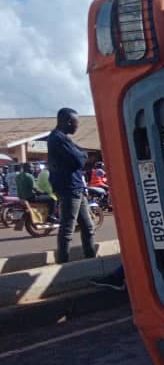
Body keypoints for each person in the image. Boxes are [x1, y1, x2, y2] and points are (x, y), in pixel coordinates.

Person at [47, 108, 96, 264]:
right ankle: (63, 263)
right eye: (76, 123)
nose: (77, 126)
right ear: (68, 121)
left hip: (75, 188)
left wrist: (81, 154)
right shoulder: (58, 139)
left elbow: (79, 155)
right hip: (69, 188)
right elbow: (78, 160)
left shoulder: (62, 138)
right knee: (67, 229)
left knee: (88, 226)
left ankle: (91, 260)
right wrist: (83, 155)